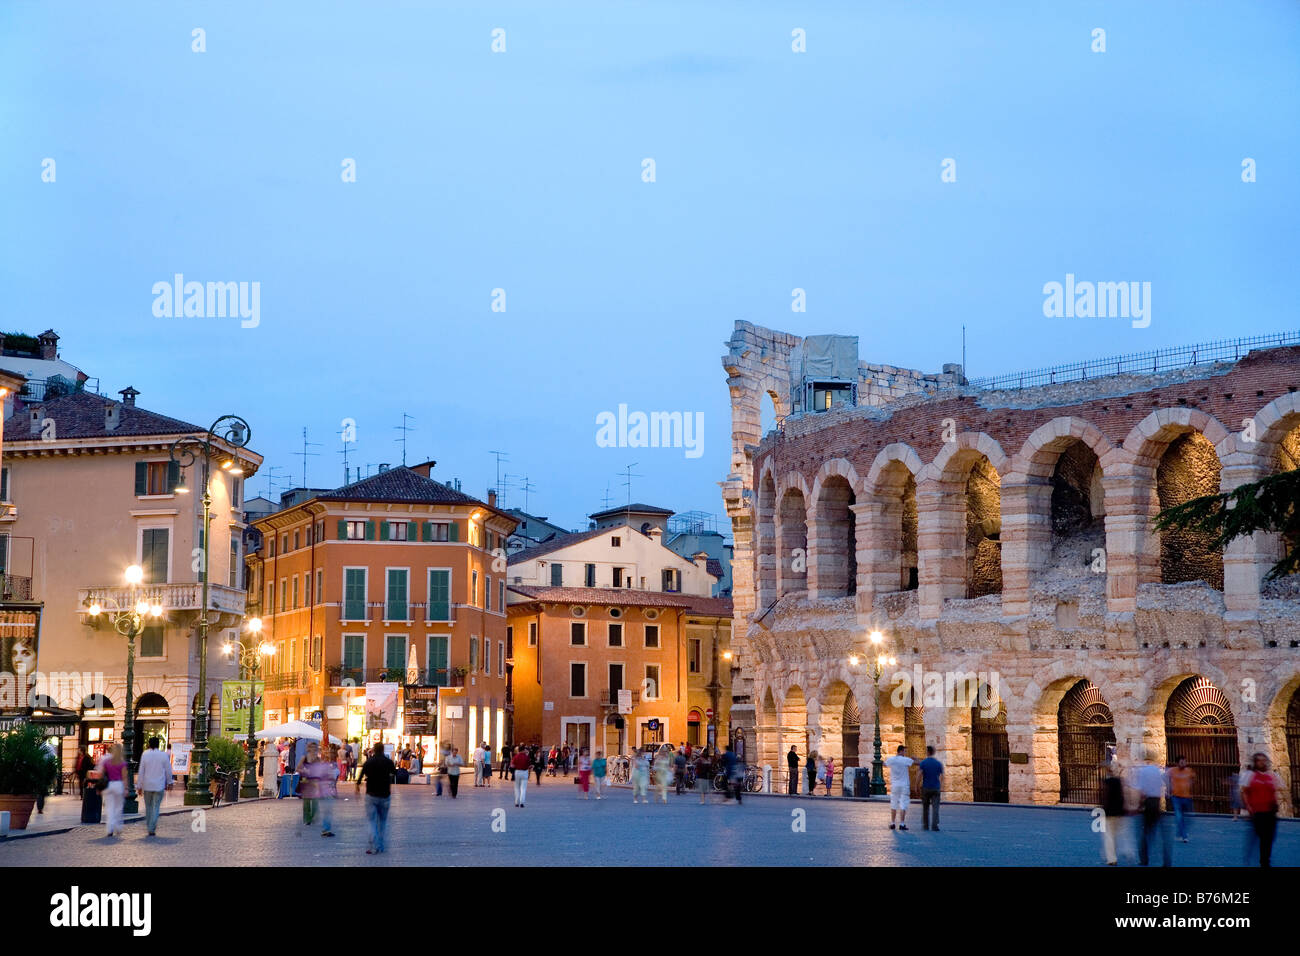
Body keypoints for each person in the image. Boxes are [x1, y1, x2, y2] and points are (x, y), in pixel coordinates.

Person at [1239, 752, 1281, 867]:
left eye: (1264, 760)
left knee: (1269, 838)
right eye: (1259, 760)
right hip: (1258, 813)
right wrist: (1248, 808)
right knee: (1263, 837)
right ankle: (1263, 862)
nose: (1262, 762)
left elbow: (1275, 791)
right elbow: (1244, 792)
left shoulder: (1271, 776)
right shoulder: (1250, 775)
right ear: (1255, 762)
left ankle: (1264, 860)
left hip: (1270, 812)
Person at [1131, 750, 1171, 866]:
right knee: (1160, 834)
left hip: (1148, 804)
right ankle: (1165, 860)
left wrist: (1137, 807)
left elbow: (1141, 791)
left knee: (1144, 834)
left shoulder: (1142, 771)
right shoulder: (1158, 771)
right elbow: (1165, 785)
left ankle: (1144, 859)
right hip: (1157, 802)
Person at [355, 741, 394, 854]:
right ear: (382, 750)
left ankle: (374, 845)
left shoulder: (369, 762)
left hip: (371, 795)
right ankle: (380, 846)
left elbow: (360, 776)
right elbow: (394, 773)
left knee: (371, 821)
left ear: (374, 750)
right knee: (382, 822)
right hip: (385, 794)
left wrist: (357, 787)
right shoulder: (388, 761)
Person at [137, 736, 173, 837]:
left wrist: (139, 786)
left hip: (147, 785)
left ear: (149, 744)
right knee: (156, 807)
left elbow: (141, 771)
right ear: (158, 744)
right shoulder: (163, 755)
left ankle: (149, 825)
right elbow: (168, 770)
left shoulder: (145, 754)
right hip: (159, 785)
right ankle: (152, 827)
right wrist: (170, 782)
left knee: (148, 807)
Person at [302, 742, 338, 837]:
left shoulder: (321, 763)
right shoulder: (310, 760)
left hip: (322, 788)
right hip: (317, 787)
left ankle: (322, 826)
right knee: (323, 809)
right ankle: (323, 827)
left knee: (323, 808)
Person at [97, 743, 128, 838]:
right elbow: (124, 777)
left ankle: (109, 829)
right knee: (118, 808)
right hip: (118, 785)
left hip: (108, 785)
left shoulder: (107, 762)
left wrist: (99, 788)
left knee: (109, 809)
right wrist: (126, 788)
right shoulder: (122, 763)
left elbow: (101, 775)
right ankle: (118, 827)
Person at [1100, 761, 1126, 865]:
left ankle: (1111, 858)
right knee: (1116, 835)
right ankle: (1118, 853)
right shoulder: (1119, 781)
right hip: (1119, 811)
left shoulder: (1107, 782)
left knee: (1109, 836)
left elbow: (1104, 796)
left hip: (1109, 811)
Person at [883, 745, 914, 830]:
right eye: (904, 751)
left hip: (895, 785)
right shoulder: (906, 760)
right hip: (904, 785)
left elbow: (884, 764)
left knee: (894, 803)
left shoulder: (891, 759)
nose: (905, 753)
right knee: (903, 804)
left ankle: (893, 823)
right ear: (900, 751)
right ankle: (902, 824)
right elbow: (915, 763)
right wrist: (915, 758)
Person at [1167, 755, 1195, 843]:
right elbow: (1165, 777)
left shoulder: (1189, 770)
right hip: (1176, 797)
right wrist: (1169, 789)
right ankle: (1184, 836)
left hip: (1186, 798)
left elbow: (1193, 778)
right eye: (1182, 762)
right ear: (1177, 763)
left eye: (1185, 762)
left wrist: (1189, 785)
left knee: (1187, 818)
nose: (1184, 764)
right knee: (1179, 817)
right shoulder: (1172, 770)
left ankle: (1180, 832)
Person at [918, 746, 944, 831]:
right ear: (933, 752)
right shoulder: (938, 763)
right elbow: (942, 776)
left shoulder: (923, 763)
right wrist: (941, 786)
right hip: (936, 787)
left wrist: (916, 785)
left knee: (925, 807)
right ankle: (935, 825)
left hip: (926, 787)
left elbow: (919, 775)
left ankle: (926, 825)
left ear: (928, 752)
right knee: (935, 807)